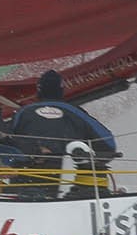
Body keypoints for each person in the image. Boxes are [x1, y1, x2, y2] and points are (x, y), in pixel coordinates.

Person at [9, 70, 118, 198]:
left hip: (25, 180)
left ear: (39, 90)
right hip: (66, 181)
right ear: (61, 90)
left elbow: (6, 141)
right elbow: (108, 144)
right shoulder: (75, 112)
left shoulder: (23, 113)